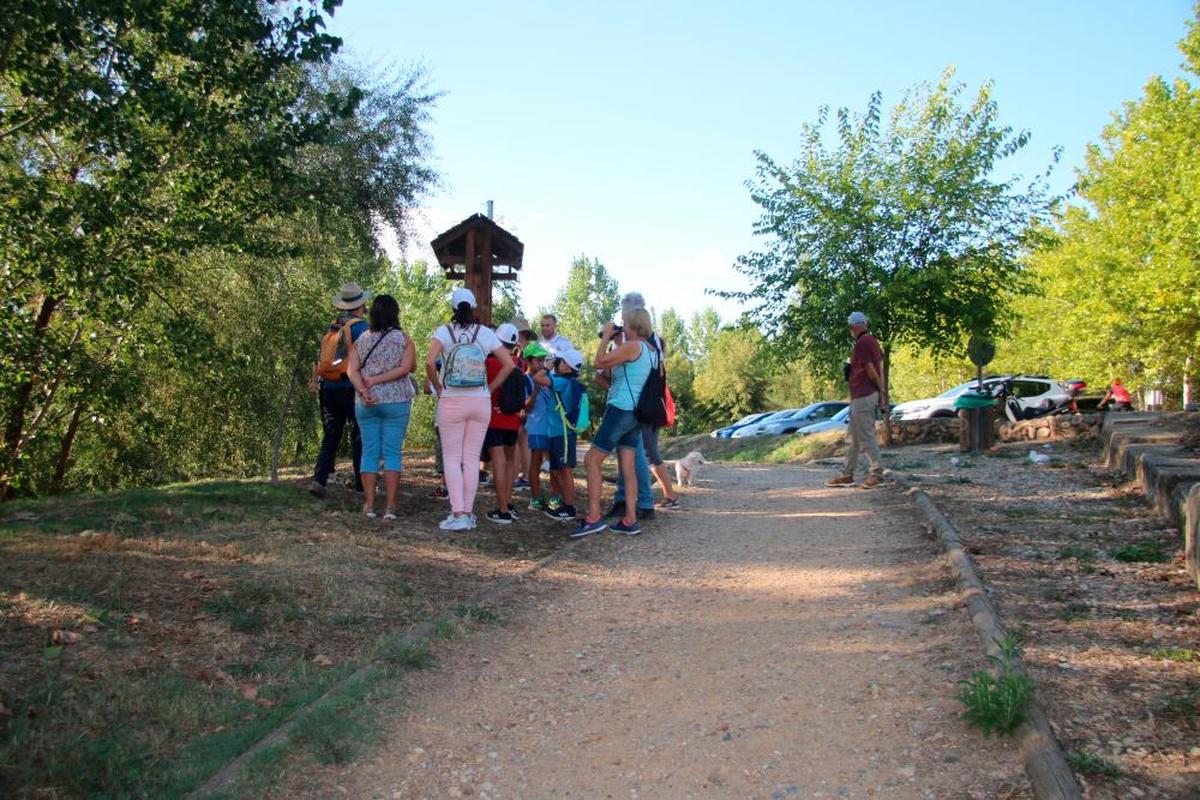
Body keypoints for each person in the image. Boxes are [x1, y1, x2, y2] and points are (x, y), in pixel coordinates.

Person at [426, 288, 514, 531]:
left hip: (452, 399)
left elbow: (428, 361)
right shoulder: (485, 333)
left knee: (452, 458)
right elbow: (509, 364)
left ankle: (458, 514)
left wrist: (438, 386)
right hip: (480, 401)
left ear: (453, 309)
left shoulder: (443, 332)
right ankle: (469, 512)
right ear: (473, 307)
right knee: (472, 458)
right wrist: (490, 386)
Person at [573, 307, 656, 538]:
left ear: (632, 324)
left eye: (624, 323)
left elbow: (599, 362)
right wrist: (617, 343)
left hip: (621, 410)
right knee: (627, 467)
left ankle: (594, 517)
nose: (622, 326)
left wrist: (607, 337)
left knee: (591, 460)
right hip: (637, 414)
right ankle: (630, 519)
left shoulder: (633, 346)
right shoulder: (651, 350)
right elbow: (617, 373)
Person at [346, 294, 416, 520]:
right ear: (395, 314)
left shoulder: (362, 340)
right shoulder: (403, 339)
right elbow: (406, 368)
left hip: (366, 403)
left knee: (369, 451)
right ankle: (391, 507)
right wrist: (378, 380)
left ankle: (368, 504)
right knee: (392, 453)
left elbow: (351, 371)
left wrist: (364, 389)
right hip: (396, 401)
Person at [308, 282, 371, 498]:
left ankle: (319, 478)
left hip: (329, 385)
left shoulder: (332, 326)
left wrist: (315, 380)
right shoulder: (361, 327)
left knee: (331, 434)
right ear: (361, 304)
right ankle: (362, 485)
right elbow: (366, 357)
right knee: (359, 434)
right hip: (350, 385)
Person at [603, 292, 657, 519]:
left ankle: (641, 502)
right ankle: (628, 503)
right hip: (642, 404)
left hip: (632, 405)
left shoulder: (642, 343)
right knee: (629, 454)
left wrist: (610, 341)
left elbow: (603, 364)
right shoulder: (649, 343)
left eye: (624, 315)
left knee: (634, 456)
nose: (621, 321)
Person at [827, 311, 886, 489]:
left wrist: (880, 390)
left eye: (851, 327)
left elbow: (871, 369)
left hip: (864, 394)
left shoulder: (863, 342)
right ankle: (847, 474)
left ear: (854, 326)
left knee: (866, 436)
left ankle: (877, 473)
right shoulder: (872, 342)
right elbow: (878, 366)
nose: (850, 330)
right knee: (853, 438)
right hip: (860, 395)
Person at [483, 323, 524, 524]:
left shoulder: (489, 363)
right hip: (513, 421)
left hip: (494, 419)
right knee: (510, 462)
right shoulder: (519, 363)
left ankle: (502, 510)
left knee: (498, 463)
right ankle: (508, 502)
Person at [544, 348, 585, 522]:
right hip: (557, 433)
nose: (556, 364)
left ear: (567, 367)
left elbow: (538, 378)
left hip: (563, 434)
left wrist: (546, 367)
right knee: (557, 469)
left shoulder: (562, 382)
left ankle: (569, 507)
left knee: (565, 469)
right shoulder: (566, 380)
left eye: (560, 361)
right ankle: (564, 503)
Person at [522, 342, 554, 510]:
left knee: (554, 462)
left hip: (551, 426)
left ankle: (555, 497)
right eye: (538, 360)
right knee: (536, 461)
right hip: (535, 426)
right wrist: (535, 391)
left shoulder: (547, 376)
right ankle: (536, 497)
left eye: (544, 360)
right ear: (529, 361)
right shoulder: (525, 379)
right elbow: (526, 408)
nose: (542, 363)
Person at [511, 316, 536, 490]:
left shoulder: (521, 353)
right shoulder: (532, 350)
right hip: (530, 398)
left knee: (519, 437)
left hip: (522, 398)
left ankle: (519, 476)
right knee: (523, 438)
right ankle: (525, 476)